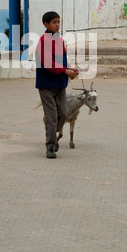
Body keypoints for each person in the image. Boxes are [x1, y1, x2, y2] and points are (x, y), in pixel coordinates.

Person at [35, 11, 79, 158]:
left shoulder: (59, 41)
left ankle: (51, 137)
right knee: (52, 117)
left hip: (60, 85)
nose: (57, 25)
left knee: (64, 114)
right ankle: (51, 146)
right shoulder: (43, 41)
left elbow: (63, 61)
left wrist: (70, 68)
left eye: (58, 22)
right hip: (46, 86)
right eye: (54, 22)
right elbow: (49, 64)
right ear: (46, 24)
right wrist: (65, 71)